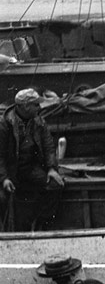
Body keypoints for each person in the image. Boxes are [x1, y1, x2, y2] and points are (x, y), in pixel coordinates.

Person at [0, 88, 64, 231]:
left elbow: (48, 146)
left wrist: (51, 168)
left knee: (55, 185)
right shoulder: (4, 125)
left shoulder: (38, 121)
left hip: (29, 168)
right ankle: (6, 232)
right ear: (25, 107)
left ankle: (41, 223)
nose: (39, 108)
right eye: (36, 105)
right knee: (2, 199)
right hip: (10, 170)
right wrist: (4, 178)